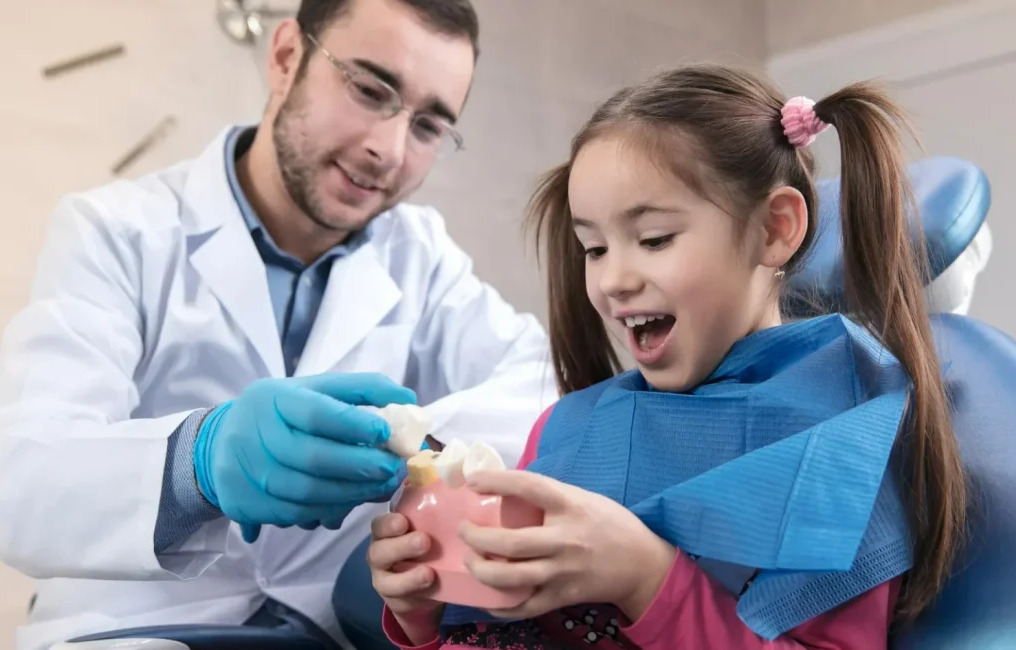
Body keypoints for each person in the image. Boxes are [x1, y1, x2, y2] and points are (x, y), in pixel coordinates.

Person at [0, 0, 556, 648]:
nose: (387, 149)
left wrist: (418, 447)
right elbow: (14, 486)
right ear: (285, 59)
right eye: (369, 89)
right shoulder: (117, 232)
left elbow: (546, 388)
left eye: (428, 126)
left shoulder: (422, 256)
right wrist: (199, 461)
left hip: (331, 631)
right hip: (141, 629)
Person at [368, 63, 967, 649]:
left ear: (773, 229)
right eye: (594, 248)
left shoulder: (841, 444)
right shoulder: (567, 428)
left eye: (653, 239)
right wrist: (426, 605)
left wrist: (648, 578)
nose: (613, 281)